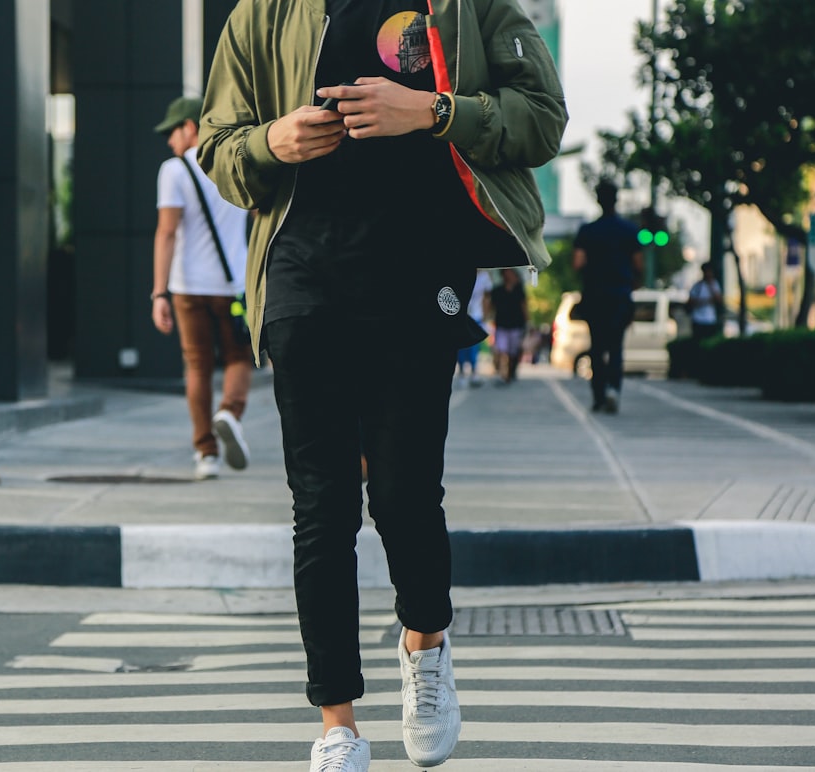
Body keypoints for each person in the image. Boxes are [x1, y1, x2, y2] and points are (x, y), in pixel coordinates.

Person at [197, 0, 567, 767]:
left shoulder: (467, 7)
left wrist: (432, 111)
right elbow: (219, 146)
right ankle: (338, 724)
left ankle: (425, 645)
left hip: (419, 270)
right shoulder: (264, 13)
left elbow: (542, 120)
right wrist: (274, 139)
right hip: (302, 271)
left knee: (402, 493)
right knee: (321, 505)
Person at [151, 96, 253, 480]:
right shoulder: (233, 162)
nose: (169, 142)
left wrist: (158, 292)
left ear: (191, 127)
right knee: (239, 357)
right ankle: (229, 411)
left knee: (197, 365)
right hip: (233, 285)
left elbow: (166, 232)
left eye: (173, 132)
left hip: (186, 286)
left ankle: (206, 453)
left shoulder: (173, 170)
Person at [572, 180, 644, 414]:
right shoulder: (629, 230)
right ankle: (614, 389)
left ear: (598, 200)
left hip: (595, 295)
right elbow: (638, 264)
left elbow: (578, 262)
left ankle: (598, 396)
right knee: (616, 347)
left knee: (597, 347)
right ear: (617, 199)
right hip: (620, 295)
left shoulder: (588, 231)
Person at [490, 267, 528, 384]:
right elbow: (491, 307)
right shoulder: (497, 290)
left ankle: (511, 371)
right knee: (502, 350)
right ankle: (503, 374)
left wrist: (528, 322)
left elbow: (524, 306)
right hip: (501, 324)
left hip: (516, 325)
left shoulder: (519, 289)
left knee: (513, 351)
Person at [455, 269, 492, 386]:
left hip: (476, 314)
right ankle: (462, 372)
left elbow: (486, 298)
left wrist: (486, 316)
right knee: (460, 346)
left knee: (473, 347)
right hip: (462, 313)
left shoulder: (484, 276)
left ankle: (474, 372)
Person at [688, 261, 723, 341]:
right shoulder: (697, 286)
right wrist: (707, 301)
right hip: (698, 320)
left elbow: (718, 299)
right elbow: (691, 301)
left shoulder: (714, 285)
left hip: (710, 319)